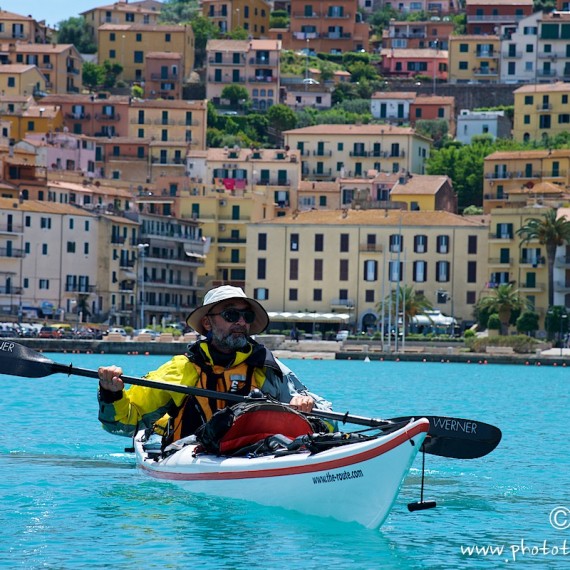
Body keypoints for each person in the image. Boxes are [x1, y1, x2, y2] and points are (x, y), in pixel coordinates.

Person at [98, 285, 333, 444]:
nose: (241, 322)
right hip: (189, 455)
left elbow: (326, 415)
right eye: (231, 315)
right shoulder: (182, 369)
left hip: (251, 454)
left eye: (246, 317)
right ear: (208, 323)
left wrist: (305, 404)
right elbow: (123, 423)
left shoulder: (266, 367)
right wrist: (111, 395)